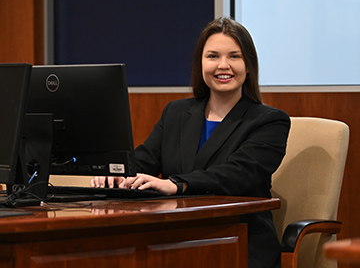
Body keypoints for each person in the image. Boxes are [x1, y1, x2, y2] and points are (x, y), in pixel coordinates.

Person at [91, 17, 290, 268]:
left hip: (240, 241)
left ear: (249, 65)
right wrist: (119, 174)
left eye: (234, 56)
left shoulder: (270, 121)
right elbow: (144, 160)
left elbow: (238, 174)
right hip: (175, 238)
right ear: (200, 64)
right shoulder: (175, 112)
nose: (223, 65)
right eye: (213, 56)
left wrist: (177, 184)